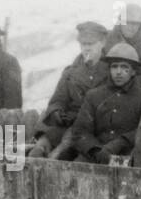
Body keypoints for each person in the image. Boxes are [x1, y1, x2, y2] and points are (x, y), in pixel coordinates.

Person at [29, 21, 109, 159]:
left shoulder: (111, 71)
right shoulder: (70, 73)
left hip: (93, 129)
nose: (87, 48)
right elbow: (57, 100)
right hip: (65, 125)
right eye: (83, 44)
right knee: (37, 151)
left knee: (58, 156)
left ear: (102, 43)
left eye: (91, 44)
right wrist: (57, 112)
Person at [69, 43, 141, 163]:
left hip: (127, 159)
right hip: (93, 157)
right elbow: (80, 131)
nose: (118, 72)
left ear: (133, 71)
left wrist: (119, 143)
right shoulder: (93, 96)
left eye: (124, 67)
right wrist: (95, 150)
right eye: (114, 66)